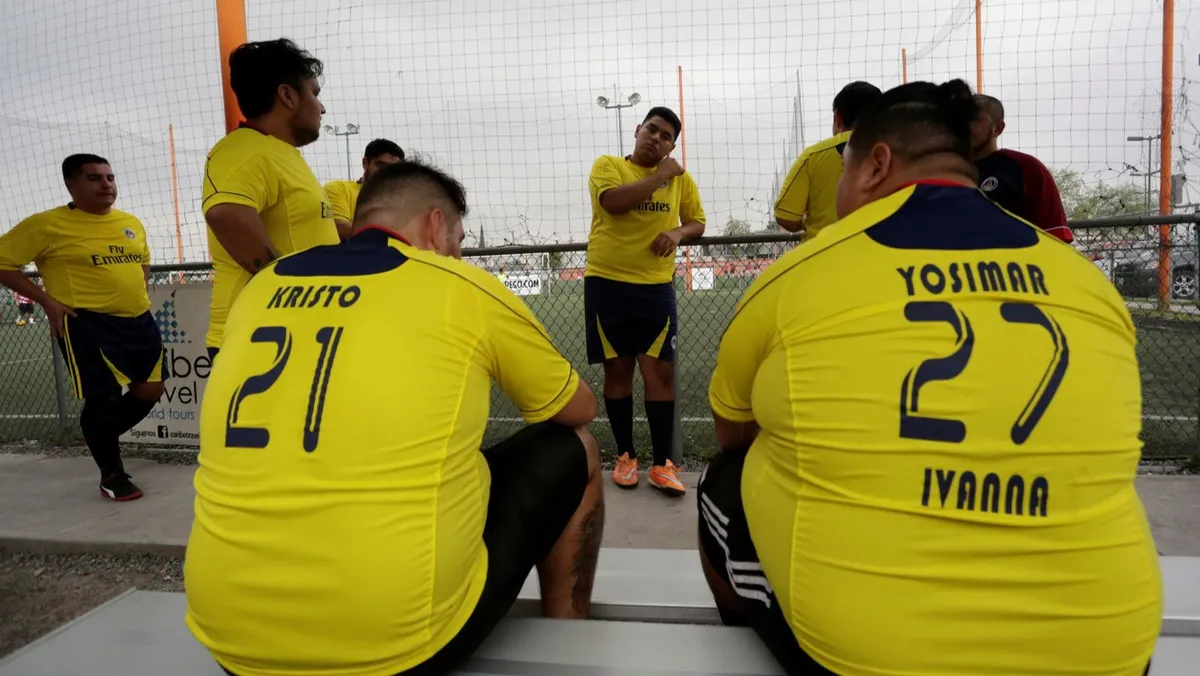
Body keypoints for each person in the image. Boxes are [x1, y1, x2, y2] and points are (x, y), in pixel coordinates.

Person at [700, 80, 1160, 676]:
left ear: (876, 165)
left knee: (724, 478)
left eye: (844, 171)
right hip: (1110, 651)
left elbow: (733, 432)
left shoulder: (797, 276)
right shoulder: (1088, 283)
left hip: (867, 658)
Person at [185, 160, 605, 676]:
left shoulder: (261, 286)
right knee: (575, 447)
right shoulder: (459, 285)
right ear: (434, 225)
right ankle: (569, 641)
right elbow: (577, 407)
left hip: (229, 636)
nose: (458, 254)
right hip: (393, 648)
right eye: (457, 240)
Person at [0, 155, 165, 501]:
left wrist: (136, 293)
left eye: (110, 177)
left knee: (151, 390)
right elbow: (3, 261)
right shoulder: (48, 225)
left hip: (139, 320)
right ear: (71, 185)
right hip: (87, 322)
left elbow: (143, 261)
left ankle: (96, 434)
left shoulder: (130, 222)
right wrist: (46, 300)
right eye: (94, 178)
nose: (106, 184)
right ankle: (111, 473)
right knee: (104, 397)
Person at [585, 106, 706, 496]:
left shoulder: (680, 181)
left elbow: (698, 222)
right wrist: (658, 176)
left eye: (666, 136)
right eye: (652, 129)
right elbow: (613, 203)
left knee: (660, 376)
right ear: (637, 129)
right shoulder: (608, 166)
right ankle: (625, 457)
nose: (656, 138)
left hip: (655, 288)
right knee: (618, 372)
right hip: (607, 285)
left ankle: (662, 465)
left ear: (672, 145)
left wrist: (677, 234)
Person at [202, 38, 339, 360]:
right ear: (288, 96)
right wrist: (289, 288)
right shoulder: (244, 149)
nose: (321, 107)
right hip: (262, 336)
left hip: (293, 331)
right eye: (315, 93)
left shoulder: (280, 152)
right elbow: (226, 213)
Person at [774, 81, 882, 240]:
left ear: (837, 118)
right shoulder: (900, 155)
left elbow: (785, 216)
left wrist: (805, 222)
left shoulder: (813, 156)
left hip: (823, 250)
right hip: (883, 251)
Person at [972, 94, 1074, 242]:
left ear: (997, 128)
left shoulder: (1026, 168)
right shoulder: (944, 172)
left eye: (974, 120)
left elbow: (1055, 237)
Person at [324, 138, 405, 239]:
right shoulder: (339, 189)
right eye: (381, 165)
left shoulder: (404, 200)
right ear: (365, 163)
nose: (386, 172)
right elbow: (339, 227)